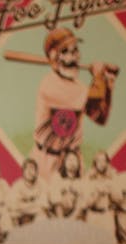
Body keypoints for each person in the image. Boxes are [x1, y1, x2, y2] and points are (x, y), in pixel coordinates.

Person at [31, 27, 117, 182]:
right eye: (66, 51)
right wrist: (98, 76)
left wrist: (109, 84)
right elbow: (92, 96)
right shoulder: (49, 85)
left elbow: (100, 117)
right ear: (54, 57)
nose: (74, 56)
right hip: (47, 160)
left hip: (73, 161)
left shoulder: (79, 87)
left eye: (75, 50)